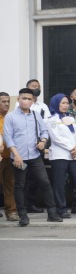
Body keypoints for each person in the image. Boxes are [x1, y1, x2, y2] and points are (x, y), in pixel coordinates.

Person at [3, 88, 63, 226]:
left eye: (29, 99)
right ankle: (23, 215)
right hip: (19, 158)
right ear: (18, 99)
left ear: (33, 101)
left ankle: (52, 213)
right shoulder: (11, 117)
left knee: (45, 182)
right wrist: (16, 155)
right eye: (24, 98)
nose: (26, 101)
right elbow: (8, 138)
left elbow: (44, 131)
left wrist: (42, 141)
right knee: (20, 185)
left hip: (35, 156)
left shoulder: (36, 115)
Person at [45, 93, 76, 219]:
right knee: (60, 183)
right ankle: (61, 209)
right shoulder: (52, 119)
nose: (65, 105)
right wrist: (71, 148)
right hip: (60, 156)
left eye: (67, 103)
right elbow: (56, 138)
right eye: (62, 103)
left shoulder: (70, 118)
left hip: (74, 155)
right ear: (56, 104)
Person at [18, 79, 50, 214]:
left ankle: (31, 203)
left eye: (38, 86)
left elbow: (46, 125)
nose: (36, 88)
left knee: (37, 178)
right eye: (33, 86)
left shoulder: (43, 106)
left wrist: (43, 141)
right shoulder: (18, 106)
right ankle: (22, 206)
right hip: (21, 151)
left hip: (38, 148)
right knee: (22, 178)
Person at [0, 92, 18, 221]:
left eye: (8, 101)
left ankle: (11, 211)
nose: (6, 104)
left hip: (10, 156)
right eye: (3, 101)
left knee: (10, 184)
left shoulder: (11, 117)